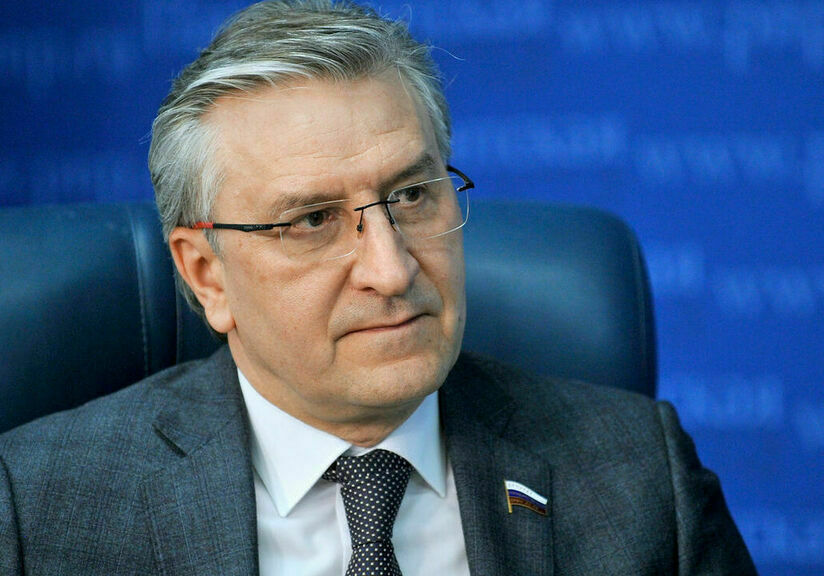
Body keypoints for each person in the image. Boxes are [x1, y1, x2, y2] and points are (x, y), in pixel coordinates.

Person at [0, 1, 757, 574]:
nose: (392, 271)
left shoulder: (643, 478)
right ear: (207, 275)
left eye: (413, 196)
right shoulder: (38, 511)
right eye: (312, 221)